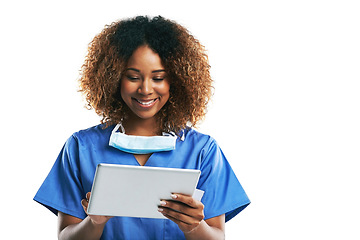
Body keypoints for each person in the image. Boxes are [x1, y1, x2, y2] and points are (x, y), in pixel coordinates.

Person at [34, 15, 250, 240]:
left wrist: (193, 227)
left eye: (158, 78)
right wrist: (94, 222)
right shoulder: (81, 147)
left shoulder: (203, 150)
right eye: (133, 77)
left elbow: (217, 236)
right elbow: (66, 236)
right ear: (114, 77)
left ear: (176, 81)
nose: (145, 89)